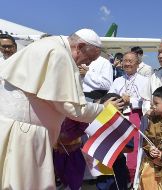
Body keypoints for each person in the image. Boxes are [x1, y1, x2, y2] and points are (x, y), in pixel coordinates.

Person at [0, 28, 123, 189]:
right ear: (79, 46)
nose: (87, 64)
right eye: (89, 58)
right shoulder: (60, 55)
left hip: (13, 127)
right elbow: (73, 109)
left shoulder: (48, 45)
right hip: (25, 134)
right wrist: (104, 108)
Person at [108, 51, 149, 184]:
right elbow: (110, 96)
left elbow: (147, 101)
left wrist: (130, 100)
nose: (127, 64)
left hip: (135, 116)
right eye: (125, 61)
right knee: (120, 149)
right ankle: (121, 177)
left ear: (137, 63)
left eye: (130, 61)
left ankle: (133, 179)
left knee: (134, 150)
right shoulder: (118, 80)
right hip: (118, 118)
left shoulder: (145, 81)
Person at [96, 93, 134, 190]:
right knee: (102, 186)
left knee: (118, 186)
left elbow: (130, 148)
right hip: (102, 164)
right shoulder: (98, 123)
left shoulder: (124, 126)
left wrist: (114, 146)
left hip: (118, 164)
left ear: (120, 109)